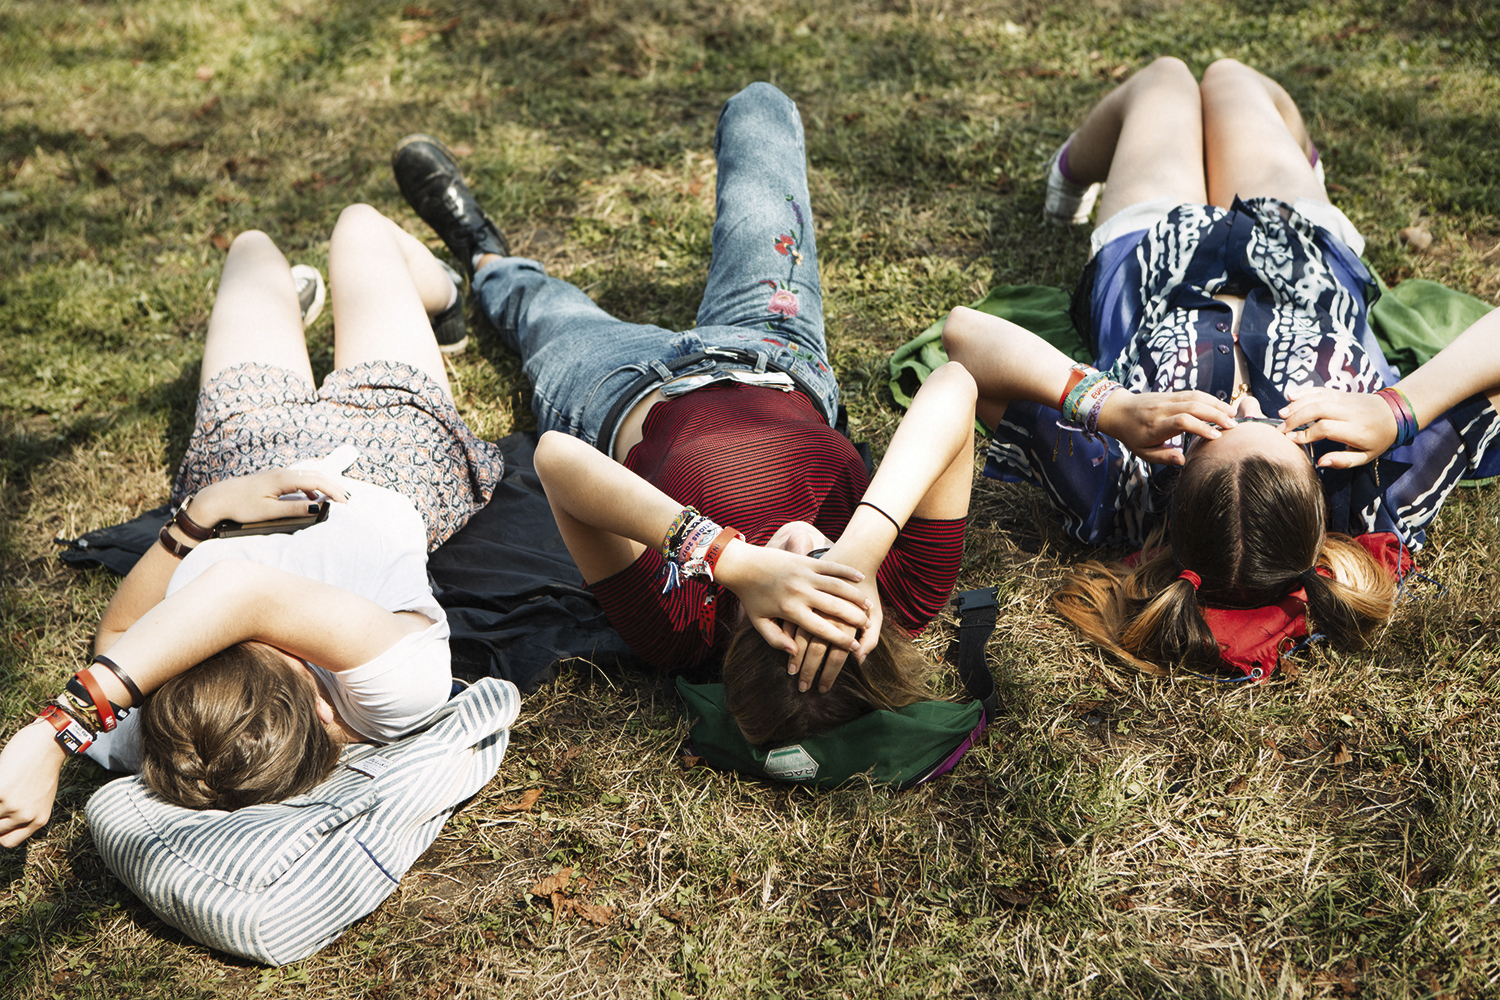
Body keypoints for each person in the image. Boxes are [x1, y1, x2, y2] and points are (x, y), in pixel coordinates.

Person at [393, 83, 975, 744]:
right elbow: (954, 386)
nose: (804, 560)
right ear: (867, 626)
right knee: (761, 107)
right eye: (827, 598)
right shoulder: (905, 594)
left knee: (534, 305)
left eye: (783, 611)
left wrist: (735, 562)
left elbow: (558, 460)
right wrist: (862, 554)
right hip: (772, 348)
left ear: (738, 641)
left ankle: (484, 256)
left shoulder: (681, 629)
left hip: (615, 384)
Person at [942, 57, 1500, 675]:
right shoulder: (1372, 488)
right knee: (1233, 77)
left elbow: (964, 338)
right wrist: (1398, 409)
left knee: (1168, 78)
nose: (1244, 406)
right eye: (1282, 433)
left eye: (1213, 431)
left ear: (1177, 489)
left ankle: (1068, 177)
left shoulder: (1121, 488)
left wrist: (1111, 406)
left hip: (1154, 253)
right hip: (1297, 247)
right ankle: (1304, 164)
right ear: (1317, 499)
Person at [0, 204, 504, 844]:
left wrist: (203, 515)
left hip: (239, 457)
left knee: (253, 248)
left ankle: (289, 305)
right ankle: (444, 295)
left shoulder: (166, 724)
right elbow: (244, 594)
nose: (328, 710)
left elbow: (122, 632)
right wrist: (57, 728)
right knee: (357, 227)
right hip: (390, 450)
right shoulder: (395, 693)